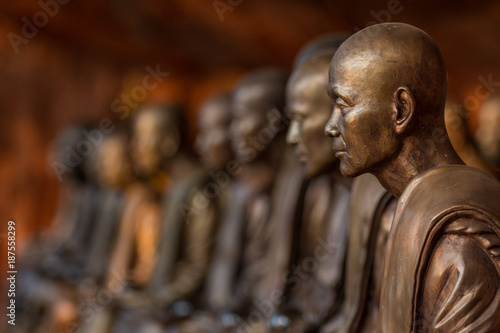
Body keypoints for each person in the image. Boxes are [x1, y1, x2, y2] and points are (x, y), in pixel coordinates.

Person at [324, 22, 500, 332]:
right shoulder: (402, 209)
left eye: (343, 106)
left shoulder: (457, 246)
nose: (331, 126)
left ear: (400, 110)